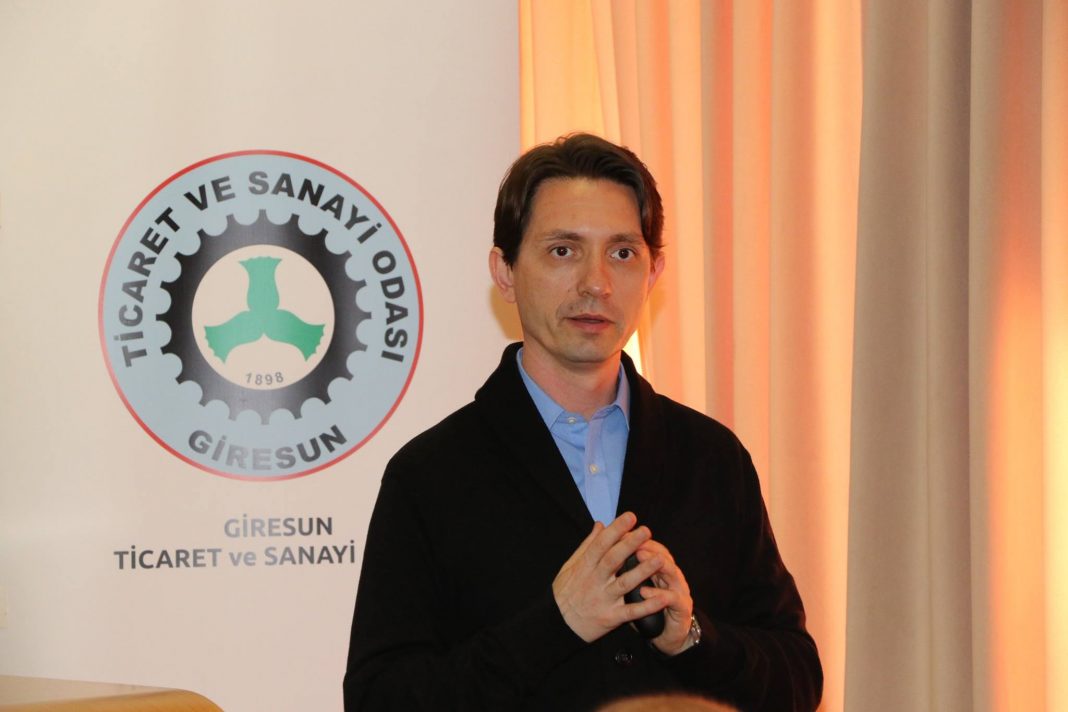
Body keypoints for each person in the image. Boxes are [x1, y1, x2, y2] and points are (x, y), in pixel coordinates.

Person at [343, 133, 822, 711]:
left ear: (653, 273)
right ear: (505, 271)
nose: (597, 283)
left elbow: (799, 682)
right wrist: (557, 622)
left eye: (622, 253)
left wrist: (692, 638)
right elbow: (379, 700)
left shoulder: (712, 458)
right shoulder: (430, 475)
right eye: (563, 250)